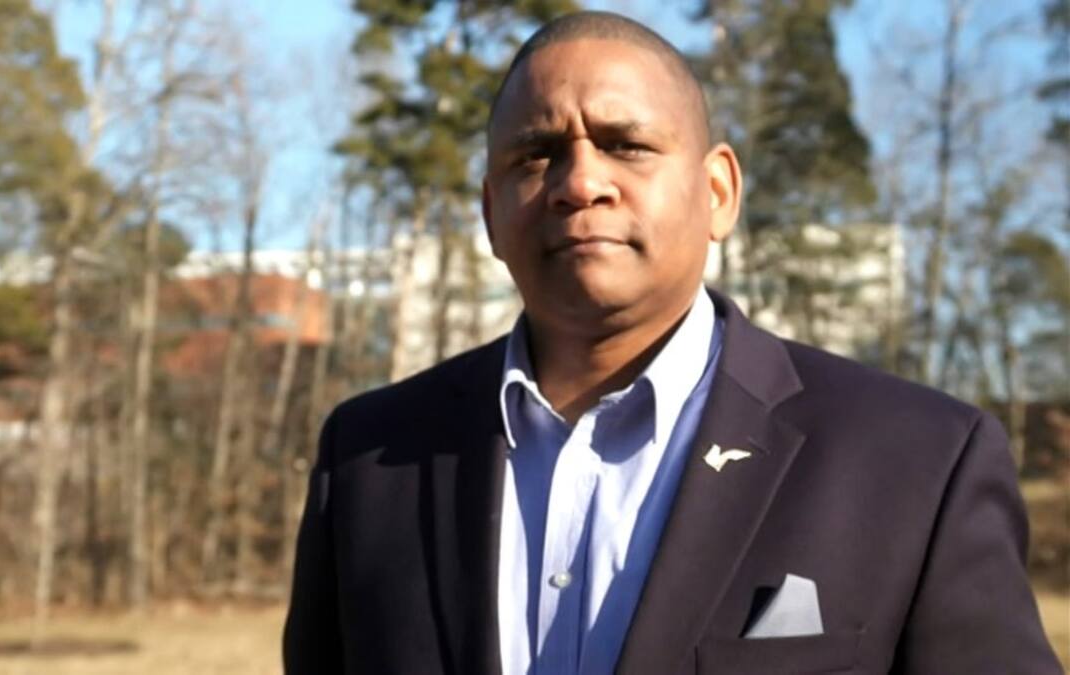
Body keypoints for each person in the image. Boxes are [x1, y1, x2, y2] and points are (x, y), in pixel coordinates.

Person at [284, 10, 1061, 675]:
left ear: (718, 191)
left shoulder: (917, 460)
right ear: (491, 213)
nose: (579, 182)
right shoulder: (369, 458)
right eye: (536, 153)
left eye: (624, 143)